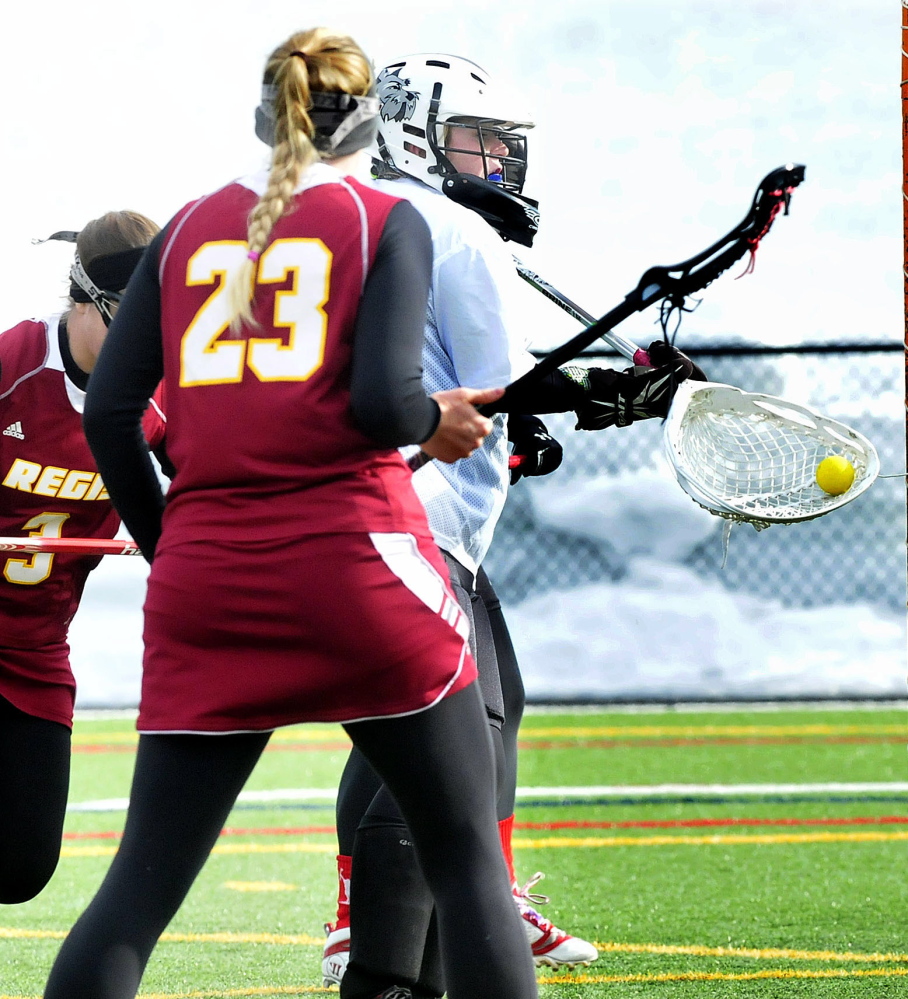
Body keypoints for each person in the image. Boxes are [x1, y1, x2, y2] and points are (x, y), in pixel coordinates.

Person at [43, 28, 541, 999]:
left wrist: (168, 546)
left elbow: (111, 414)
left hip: (208, 584)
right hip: (356, 568)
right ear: (367, 123)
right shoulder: (380, 219)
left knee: (133, 901)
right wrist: (433, 422)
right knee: (467, 866)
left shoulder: (186, 227)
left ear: (262, 116)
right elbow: (378, 405)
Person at [320, 53, 706, 996]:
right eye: (477, 143)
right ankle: (391, 926)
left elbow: (438, 376)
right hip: (414, 529)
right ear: (416, 132)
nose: (499, 165)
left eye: (506, 148)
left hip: (383, 516)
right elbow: (502, 377)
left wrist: (522, 425)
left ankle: (436, 906)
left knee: (479, 715)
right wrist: (619, 388)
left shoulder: (370, 219)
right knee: (454, 737)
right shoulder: (449, 229)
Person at [0, 212, 164, 905]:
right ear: (81, 300)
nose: (148, 339)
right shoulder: (13, 365)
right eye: (130, 315)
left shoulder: (165, 389)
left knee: (21, 866)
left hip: (34, 649)